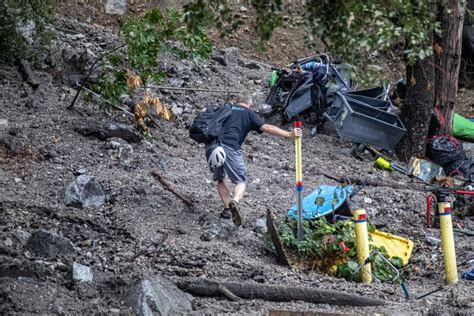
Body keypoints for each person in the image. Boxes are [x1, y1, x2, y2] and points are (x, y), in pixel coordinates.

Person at [205, 90, 303, 226]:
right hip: (230, 147)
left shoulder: (225, 108)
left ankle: (227, 210)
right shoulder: (249, 113)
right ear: (250, 104)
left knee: (220, 178)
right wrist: (289, 134)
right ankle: (235, 201)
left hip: (212, 146)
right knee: (240, 181)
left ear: (237, 101)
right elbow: (267, 127)